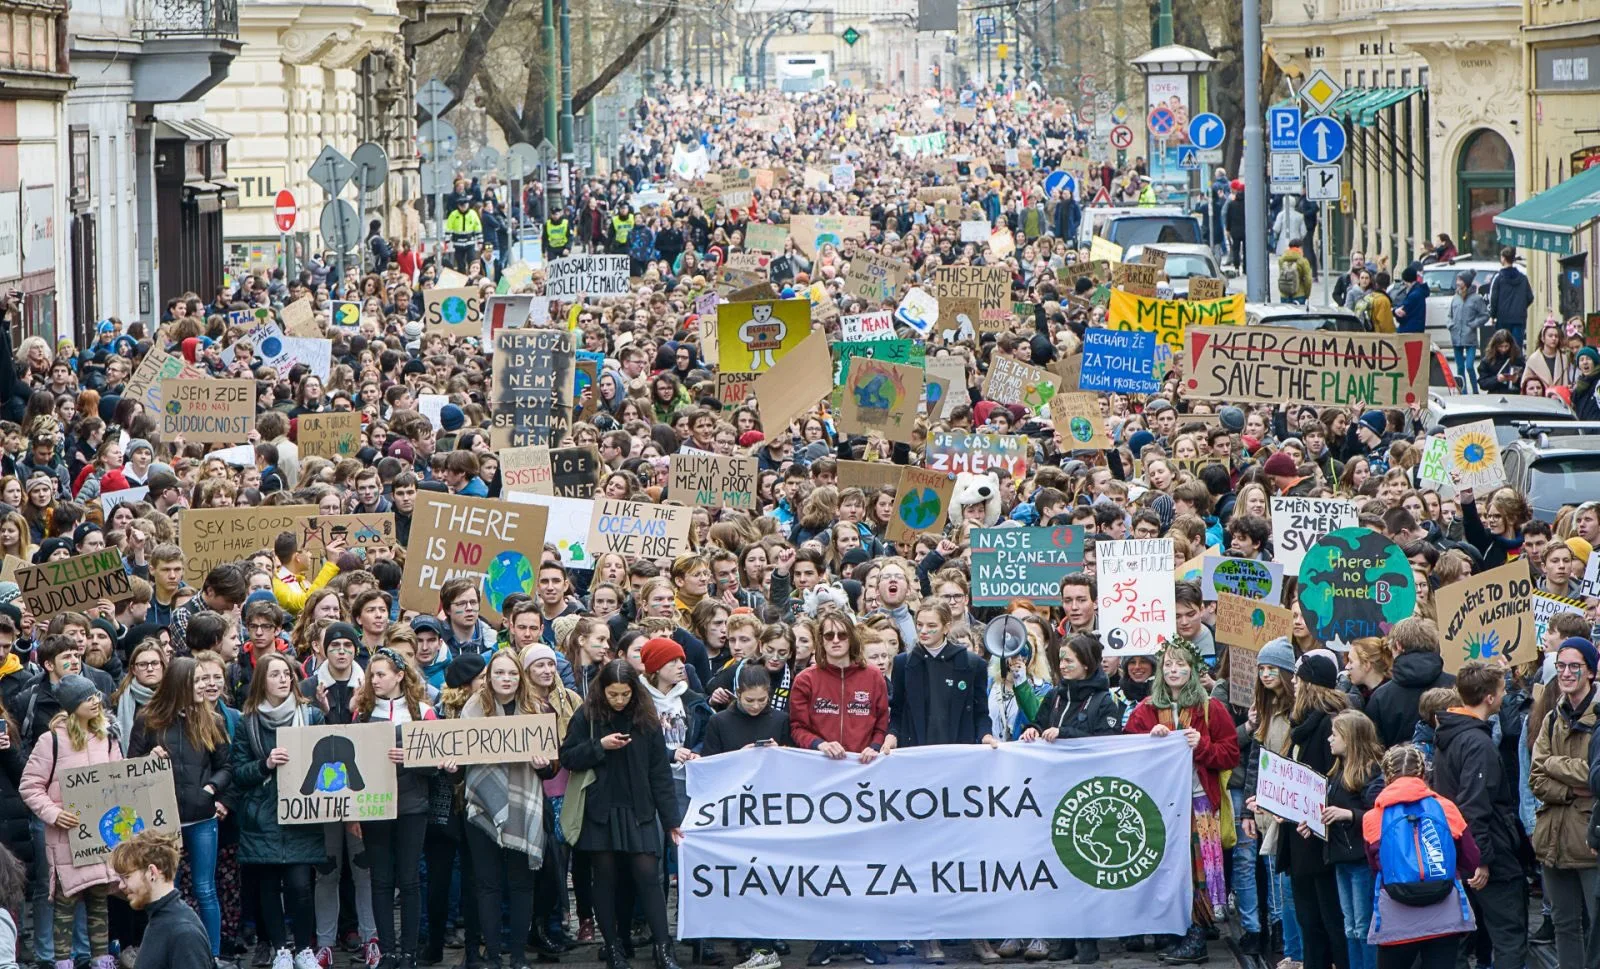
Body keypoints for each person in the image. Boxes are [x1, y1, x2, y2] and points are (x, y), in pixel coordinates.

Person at [558, 660, 683, 969]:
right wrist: (599, 746)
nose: (618, 700)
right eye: (613, 694)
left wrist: (671, 821)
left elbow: (659, 774)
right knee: (605, 878)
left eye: (624, 694)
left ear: (634, 691)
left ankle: (663, 947)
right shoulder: (587, 715)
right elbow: (568, 757)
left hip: (638, 808)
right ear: (603, 690)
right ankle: (613, 947)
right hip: (600, 809)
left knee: (648, 877)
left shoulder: (646, 719)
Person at [1125, 638, 1239, 964]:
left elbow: (1230, 753)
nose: (1175, 670)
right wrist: (1151, 741)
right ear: (1161, 670)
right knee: (1167, 869)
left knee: (1197, 870)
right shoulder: (1145, 710)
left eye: (1182, 665)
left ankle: (1197, 936)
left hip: (1198, 803)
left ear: (1193, 669)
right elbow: (1128, 753)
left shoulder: (1209, 708)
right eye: (1169, 665)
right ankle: (1176, 931)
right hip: (1161, 806)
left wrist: (1201, 745)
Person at [126, 658, 231, 962]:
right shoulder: (148, 720)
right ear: (180, 684)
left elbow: (226, 766)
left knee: (205, 889)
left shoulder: (213, 720)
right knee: (160, 891)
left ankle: (211, 955)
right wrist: (149, 757)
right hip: (162, 822)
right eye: (197, 681)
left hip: (201, 818)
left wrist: (210, 789)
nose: (204, 687)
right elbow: (130, 766)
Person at [459, 648, 556, 969]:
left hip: (523, 804)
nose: (506, 679)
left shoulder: (536, 709)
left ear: (521, 677)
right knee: (487, 883)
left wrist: (544, 766)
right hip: (481, 804)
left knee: (520, 883)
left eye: (512, 673)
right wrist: (451, 767)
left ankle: (517, 956)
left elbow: (552, 767)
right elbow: (460, 763)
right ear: (489, 678)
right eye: (499, 673)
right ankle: (494, 956)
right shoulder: (473, 709)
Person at [19, 674, 122, 969]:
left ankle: (100, 959)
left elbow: (119, 781)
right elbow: (29, 785)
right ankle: (62, 961)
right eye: (88, 697)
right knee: (64, 904)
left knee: (100, 902)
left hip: (100, 836)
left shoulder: (108, 737)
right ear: (72, 705)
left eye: (95, 696)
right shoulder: (51, 740)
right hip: (66, 837)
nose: (96, 701)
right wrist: (54, 813)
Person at [231, 654, 324, 969]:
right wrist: (265, 764)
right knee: (268, 887)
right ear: (262, 681)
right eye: (275, 674)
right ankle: (280, 948)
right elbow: (238, 773)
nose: (284, 679)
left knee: (300, 885)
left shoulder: (311, 717)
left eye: (287, 674)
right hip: (263, 815)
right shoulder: (248, 723)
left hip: (300, 812)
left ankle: (303, 949)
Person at [1432, 661, 1527, 969]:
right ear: (1489, 697)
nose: (1503, 697)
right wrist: (1482, 859)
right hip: (1487, 856)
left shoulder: (1449, 734)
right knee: (1508, 935)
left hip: (1457, 850)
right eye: (1501, 691)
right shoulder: (1477, 742)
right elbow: (1475, 805)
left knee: (1460, 937)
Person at [1362, 744, 1478, 969]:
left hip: (1397, 917)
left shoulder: (1372, 817)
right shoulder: (1446, 808)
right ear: (1424, 773)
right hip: (1444, 915)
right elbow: (1471, 859)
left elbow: (1375, 865)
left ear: (1386, 776)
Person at [1530, 636, 1599, 969]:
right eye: (1561, 666)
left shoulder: (1597, 719)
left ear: (1591, 672)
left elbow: (1595, 777)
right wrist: (1571, 789)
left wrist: (1555, 764)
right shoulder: (1551, 719)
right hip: (1553, 838)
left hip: (1590, 839)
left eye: (1575, 666)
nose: (1567, 673)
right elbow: (1536, 778)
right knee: (1564, 926)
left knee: (1597, 929)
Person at [112, 831, 213, 969]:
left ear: (152, 872)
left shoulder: (184, 933)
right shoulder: (160, 918)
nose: (121, 885)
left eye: (127, 877)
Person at [1446, 270, 1487, 392]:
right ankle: (1462, 391)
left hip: (1470, 337)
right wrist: (1450, 324)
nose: (1457, 283)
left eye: (1460, 280)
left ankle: (1475, 390)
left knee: (1469, 366)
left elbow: (1485, 315)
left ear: (1466, 282)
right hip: (1456, 337)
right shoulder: (1455, 297)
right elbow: (1449, 315)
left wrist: (1474, 324)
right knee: (1460, 368)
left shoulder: (1476, 298)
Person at [1487, 246, 1532, 346]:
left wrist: (1493, 315)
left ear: (1503, 258)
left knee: (1502, 345)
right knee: (1516, 346)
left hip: (1503, 318)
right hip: (1519, 318)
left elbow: (1493, 298)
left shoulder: (1498, 278)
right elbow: (1530, 297)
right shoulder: (1523, 278)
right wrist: (1521, 307)